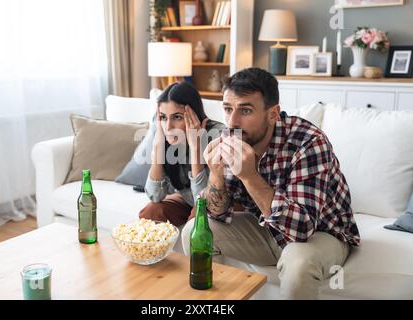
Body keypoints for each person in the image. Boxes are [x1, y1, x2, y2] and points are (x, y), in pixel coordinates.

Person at [180, 68, 361, 299]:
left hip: (321, 233)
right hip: (267, 228)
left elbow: (302, 229)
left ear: (273, 114)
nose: (233, 121)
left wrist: (249, 176)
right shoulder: (233, 137)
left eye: (245, 110)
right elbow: (216, 213)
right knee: (193, 232)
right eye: (227, 109)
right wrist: (215, 175)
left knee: (298, 262)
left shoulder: (309, 142)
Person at [139, 81, 225, 226]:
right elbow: (155, 196)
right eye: (164, 117)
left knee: (197, 222)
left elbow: (206, 204)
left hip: (217, 203)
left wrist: (196, 148)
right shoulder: (164, 136)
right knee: (151, 212)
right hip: (188, 199)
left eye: (177, 117)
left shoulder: (218, 136)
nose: (169, 127)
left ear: (193, 114)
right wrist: (158, 148)